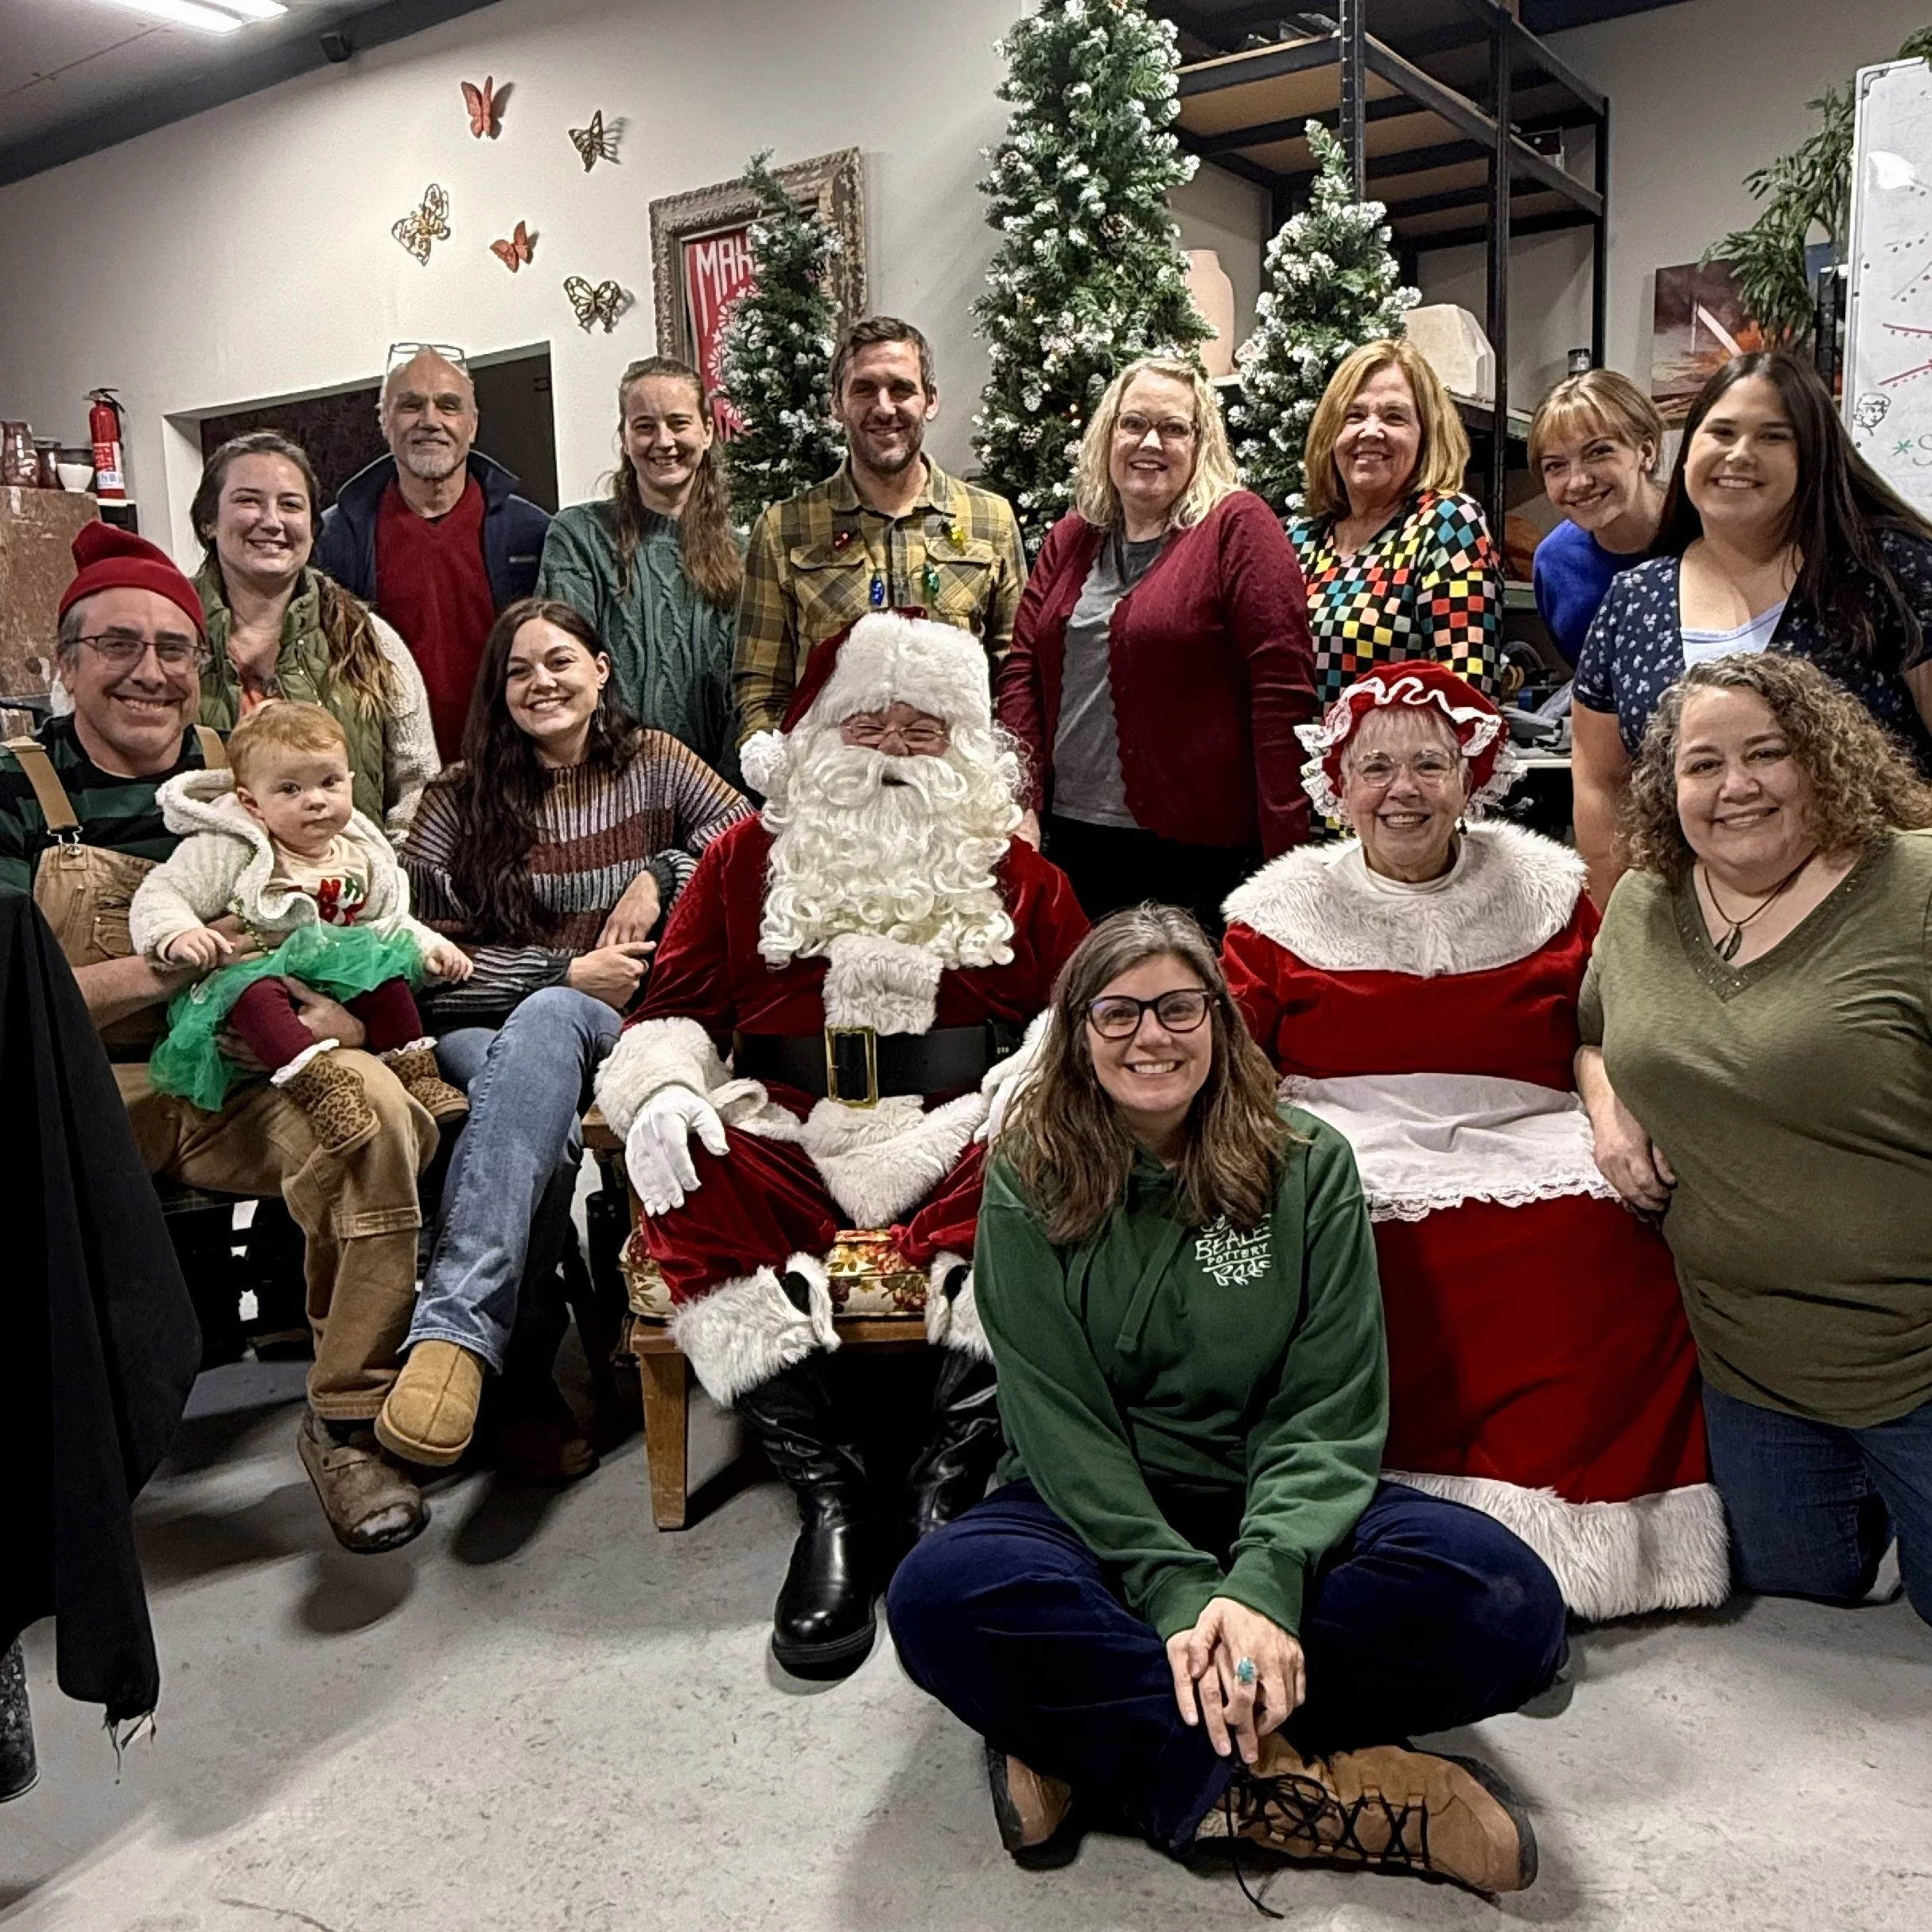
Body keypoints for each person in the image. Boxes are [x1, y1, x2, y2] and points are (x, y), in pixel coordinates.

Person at [887, 906, 1565, 1894]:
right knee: (938, 1597)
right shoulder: (1027, 1169)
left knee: (1510, 1605)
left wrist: (1261, 1581)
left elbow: (1325, 1402)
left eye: (1176, 1007)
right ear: (1076, 1032)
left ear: (1219, 1019)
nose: (1148, 1036)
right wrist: (1171, 1587)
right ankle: (1316, 1793)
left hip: (1267, 1495)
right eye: (1116, 1013)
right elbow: (1056, 1414)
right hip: (1088, 1507)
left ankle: (1082, 1740)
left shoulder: (1307, 1162)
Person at [593, 610, 1089, 1680]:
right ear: (820, 734)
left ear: (965, 751)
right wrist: (670, 1089)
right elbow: (670, 1007)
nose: (897, 751)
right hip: (790, 1123)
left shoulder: (1019, 871)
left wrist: (1040, 1071)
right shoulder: (738, 860)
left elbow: (1084, 1006)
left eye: (926, 730)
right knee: (686, 1168)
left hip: (959, 1124)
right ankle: (833, 1493)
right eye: (874, 724)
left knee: (1053, 1162)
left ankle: (944, 1481)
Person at [1220, 662, 1723, 1619]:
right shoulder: (1276, 909)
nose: (1400, 789)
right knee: (1341, 1233)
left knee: (1606, 1234)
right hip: (1342, 1134)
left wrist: (1608, 1106)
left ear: (1472, 776)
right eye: (1373, 767)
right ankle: (1377, 1524)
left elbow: (1607, 1024)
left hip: (1527, 1126)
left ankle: (1584, 1540)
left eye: (1427, 764)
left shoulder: (1547, 890)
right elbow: (1230, 1053)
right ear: (1336, 783)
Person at [0, 523, 440, 1553]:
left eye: (173, 649)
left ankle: (344, 1418)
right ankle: (57, 1465)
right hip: (83, 1085)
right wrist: (171, 966)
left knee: (378, 1118)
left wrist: (326, 1006)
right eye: (117, 646)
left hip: (242, 1068)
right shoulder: (16, 790)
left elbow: (350, 913)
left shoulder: (253, 773)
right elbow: (7, 990)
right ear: (65, 664)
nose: (150, 673)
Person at [1577, 654, 1932, 1625]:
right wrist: (1610, 1110)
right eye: (1701, 764)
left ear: (1822, 757)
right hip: (1748, 1357)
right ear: (1666, 785)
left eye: (1765, 752)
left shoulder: (1915, 886)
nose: (1734, 786)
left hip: (1914, 1348)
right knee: (1797, 1579)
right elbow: (1594, 1036)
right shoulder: (1645, 905)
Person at [390, 599, 749, 1473]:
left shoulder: (655, 762)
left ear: (600, 668)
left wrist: (657, 872)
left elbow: (748, 838)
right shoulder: (458, 798)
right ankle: (518, 1381)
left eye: (559, 662)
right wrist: (558, 973)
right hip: (486, 1029)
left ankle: (460, 1341)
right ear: (497, 689)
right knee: (527, 1110)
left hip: (629, 1024)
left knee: (539, 1043)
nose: (540, 682)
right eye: (518, 670)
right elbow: (419, 963)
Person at [1572, 351, 1932, 904]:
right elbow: (1602, 783)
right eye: (1720, 431)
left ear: (1812, 456)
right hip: (1689, 923)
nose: (1739, 454)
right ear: (1687, 448)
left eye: (1772, 436)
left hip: (1873, 916)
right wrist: (1618, 932)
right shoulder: (1633, 599)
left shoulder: (1887, 570)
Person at [995, 356, 1316, 931]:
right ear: (1107, 435)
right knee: (1077, 1013)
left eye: (1173, 428)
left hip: (1193, 852)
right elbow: (1022, 672)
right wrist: (1019, 800)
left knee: (1183, 1015)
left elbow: (1281, 697)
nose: (1150, 442)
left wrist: (1286, 861)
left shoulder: (1236, 527)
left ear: (1200, 444)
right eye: (1133, 423)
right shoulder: (1072, 537)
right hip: (1068, 842)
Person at [129, 700, 472, 1141]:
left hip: (335, 969)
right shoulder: (231, 847)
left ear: (350, 782)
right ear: (252, 804)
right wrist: (177, 933)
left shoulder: (359, 851)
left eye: (329, 782)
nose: (315, 800)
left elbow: (388, 920)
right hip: (259, 967)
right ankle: (321, 1092)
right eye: (290, 789)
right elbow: (163, 890)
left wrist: (432, 947)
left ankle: (415, 1073)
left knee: (386, 982)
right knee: (255, 996)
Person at [733, 316, 1027, 743]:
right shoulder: (785, 529)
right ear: (836, 404)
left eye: (902, 389)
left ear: (930, 401)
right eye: (864, 389)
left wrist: (999, 774)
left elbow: (1015, 674)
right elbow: (759, 684)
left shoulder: (990, 520)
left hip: (953, 790)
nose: (884, 407)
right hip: (835, 792)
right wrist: (784, 773)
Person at [191, 431, 438, 834]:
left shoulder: (368, 639)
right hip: (202, 888)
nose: (271, 521)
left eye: (290, 505)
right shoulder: (163, 635)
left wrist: (385, 883)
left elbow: (416, 786)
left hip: (350, 890)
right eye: (248, 500)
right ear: (209, 522)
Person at [317, 344, 551, 760]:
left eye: (448, 406)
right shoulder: (333, 540)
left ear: (473, 424)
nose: (430, 421)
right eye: (411, 405)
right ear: (384, 421)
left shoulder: (534, 534)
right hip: (392, 781)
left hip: (514, 772)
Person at [535, 357, 744, 784]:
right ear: (625, 438)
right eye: (645, 426)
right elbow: (564, 673)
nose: (663, 440)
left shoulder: (748, 554)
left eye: (678, 423)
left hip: (721, 793)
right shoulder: (578, 537)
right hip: (606, 786)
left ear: (707, 431)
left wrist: (716, 796)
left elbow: (752, 690)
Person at [1290, 338, 1502, 709]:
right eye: (1354, 416)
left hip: (1397, 764)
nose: (1371, 431)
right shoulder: (1299, 542)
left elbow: (1468, 696)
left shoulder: (1446, 524)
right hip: (1296, 764)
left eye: (1394, 417)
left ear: (1426, 436)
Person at [1528, 369, 1666, 665]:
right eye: (1555, 466)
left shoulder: (1708, 536)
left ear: (1646, 451)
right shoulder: (1554, 563)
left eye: (1598, 453)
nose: (1578, 482)